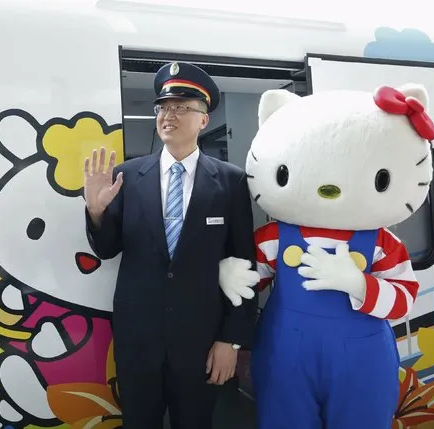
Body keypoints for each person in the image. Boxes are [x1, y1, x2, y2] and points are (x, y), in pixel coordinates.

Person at [83, 61, 258, 429]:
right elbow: (107, 249)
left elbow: (242, 263)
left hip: (201, 341)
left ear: (204, 119)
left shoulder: (229, 181)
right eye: (163, 107)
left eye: (181, 107)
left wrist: (231, 340)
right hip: (139, 339)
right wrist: (97, 212)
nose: (168, 115)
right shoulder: (128, 176)